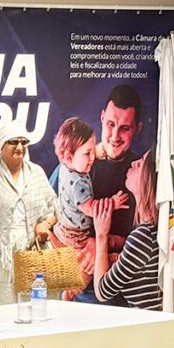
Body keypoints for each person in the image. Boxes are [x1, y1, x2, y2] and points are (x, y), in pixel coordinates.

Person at [0, 121, 58, 306]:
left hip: (33, 248)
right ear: (1, 145)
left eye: (23, 142)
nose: (19, 147)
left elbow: (53, 210)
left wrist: (45, 224)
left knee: (34, 304)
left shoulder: (36, 172)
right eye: (13, 142)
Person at [52, 117, 127, 276]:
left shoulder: (67, 165)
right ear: (68, 157)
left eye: (93, 150)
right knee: (95, 256)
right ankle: (106, 263)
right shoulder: (77, 184)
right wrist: (112, 203)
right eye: (87, 153)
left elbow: (82, 155)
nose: (92, 157)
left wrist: (94, 151)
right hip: (76, 237)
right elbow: (91, 208)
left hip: (65, 226)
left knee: (108, 241)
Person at [93, 149, 162, 309]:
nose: (133, 163)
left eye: (140, 164)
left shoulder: (143, 236)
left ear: (148, 179)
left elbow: (102, 291)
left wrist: (101, 235)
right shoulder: (151, 231)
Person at [91, 85, 144, 241]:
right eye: (110, 124)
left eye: (125, 128)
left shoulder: (142, 171)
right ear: (102, 118)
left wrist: (118, 243)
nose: (115, 136)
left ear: (138, 129)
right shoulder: (76, 164)